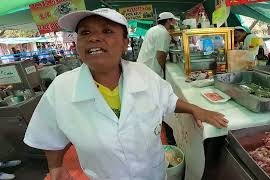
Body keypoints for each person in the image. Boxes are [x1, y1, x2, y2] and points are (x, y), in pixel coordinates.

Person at [23, 8, 228, 180]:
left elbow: (169, 100)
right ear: (77, 45)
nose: (94, 38)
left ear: (124, 43)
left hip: (153, 174)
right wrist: (56, 167)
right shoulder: (62, 88)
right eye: (85, 33)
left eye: (107, 31)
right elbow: (49, 135)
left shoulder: (144, 75)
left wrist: (195, 109)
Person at [137, 12, 179, 78]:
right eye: (173, 21)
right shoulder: (163, 33)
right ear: (168, 21)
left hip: (144, 68)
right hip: (151, 71)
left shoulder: (154, 29)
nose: (175, 23)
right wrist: (163, 71)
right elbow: (160, 55)